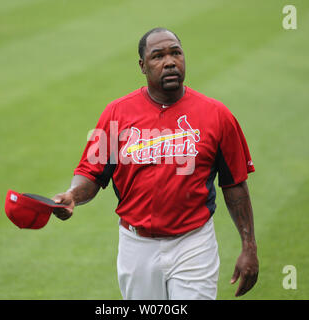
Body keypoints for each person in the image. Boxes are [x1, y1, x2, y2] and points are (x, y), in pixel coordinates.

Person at [52, 27, 258, 300]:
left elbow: (235, 186)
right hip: (136, 245)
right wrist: (72, 196)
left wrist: (249, 247)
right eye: (158, 56)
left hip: (193, 244)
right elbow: (91, 173)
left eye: (176, 53)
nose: (170, 61)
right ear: (143, 66)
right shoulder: (117, 113)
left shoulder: (217, 116)